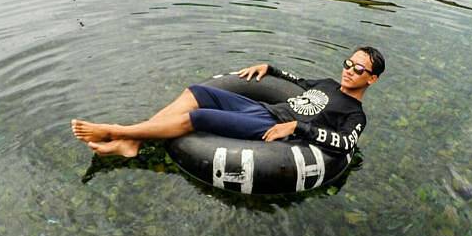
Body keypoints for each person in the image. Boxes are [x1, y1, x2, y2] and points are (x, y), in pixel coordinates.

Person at [71, 47, 385, 158]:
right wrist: (270, 68)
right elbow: (297, 81)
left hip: (270, 127)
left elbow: (345, 144)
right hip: (264, 110)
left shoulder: (355, 114)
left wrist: (298, 127)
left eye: (358, 69)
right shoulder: (328, 84)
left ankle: (120, 132)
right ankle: (131, 143)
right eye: (348, 63)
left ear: (371, 80)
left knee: (198, 118)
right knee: (197, 91)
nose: (349, 71)